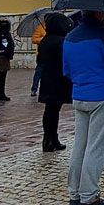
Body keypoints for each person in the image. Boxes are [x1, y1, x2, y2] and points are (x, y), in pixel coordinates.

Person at [62, 10, 104, 205]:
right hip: (102, 96)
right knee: (97, 148)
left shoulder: (70, 37)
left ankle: (75, 195)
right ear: (97, 13)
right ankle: (89, 197)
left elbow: (66, 70)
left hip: (79, 95)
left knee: (80, 146)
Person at [36, 13, 74, 152]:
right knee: (54, 110)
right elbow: (66, 60)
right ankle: (52, 139)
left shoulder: (45, 40)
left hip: (47, 79)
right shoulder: (62, 41)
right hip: (59, 79)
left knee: (50, 110)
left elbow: (39, 61)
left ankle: (48, 139)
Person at [30, 22, 47, 96]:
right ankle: (34, 88)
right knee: (38, 72)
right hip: (41, 54)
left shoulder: (55, 27)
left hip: (52, 53)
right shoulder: (41, 27)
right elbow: (34, 39)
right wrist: (43, 39)